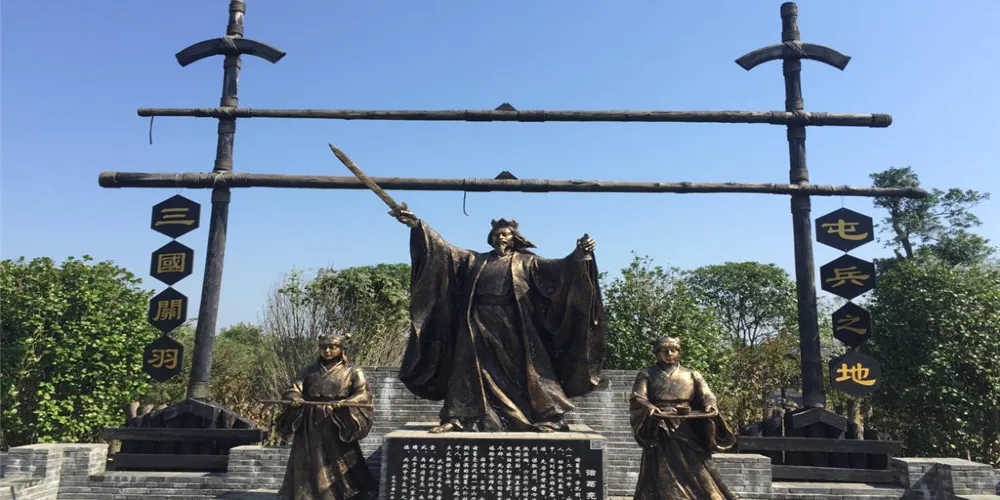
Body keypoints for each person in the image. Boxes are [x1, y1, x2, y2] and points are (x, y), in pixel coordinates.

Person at [391, 207, 606, 433]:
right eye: (496, 234)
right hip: (477, 321)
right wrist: (418, 226)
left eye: (505, 234)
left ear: (514, 238)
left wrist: (580, 253)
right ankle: (460, 417)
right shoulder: (475, 260)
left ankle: (546, 415)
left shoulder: (527, 262)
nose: (500, 237)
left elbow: (560, 270)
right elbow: (444, 251)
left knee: (525, 368)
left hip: (514, 323)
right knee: (467, 366)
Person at [629, 336, 740, 500]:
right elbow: (638, 397)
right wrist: (650, 407)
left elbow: (707, 394)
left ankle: (707, 493)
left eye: (673, 350)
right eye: (664, 351)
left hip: (688, 422)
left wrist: (709, 405)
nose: (669, 354)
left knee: (696, 460)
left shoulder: (692, 374)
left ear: (679, 352)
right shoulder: (647, 374)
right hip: (661, 423)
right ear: (657, 353)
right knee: (661, 462)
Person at [276, 333, 378, 500]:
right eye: (323, 347)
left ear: (341, 349)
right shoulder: (309, 370)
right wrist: (295, 398)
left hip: (337, 419)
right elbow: (294, 389)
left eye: (332, 347)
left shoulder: (353, 371)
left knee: (339, 456)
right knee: (308, 456)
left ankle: (341, 492)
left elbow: (363, 394)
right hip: (309, 419)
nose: (327, 351)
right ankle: (306, 494)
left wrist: (346, 402)